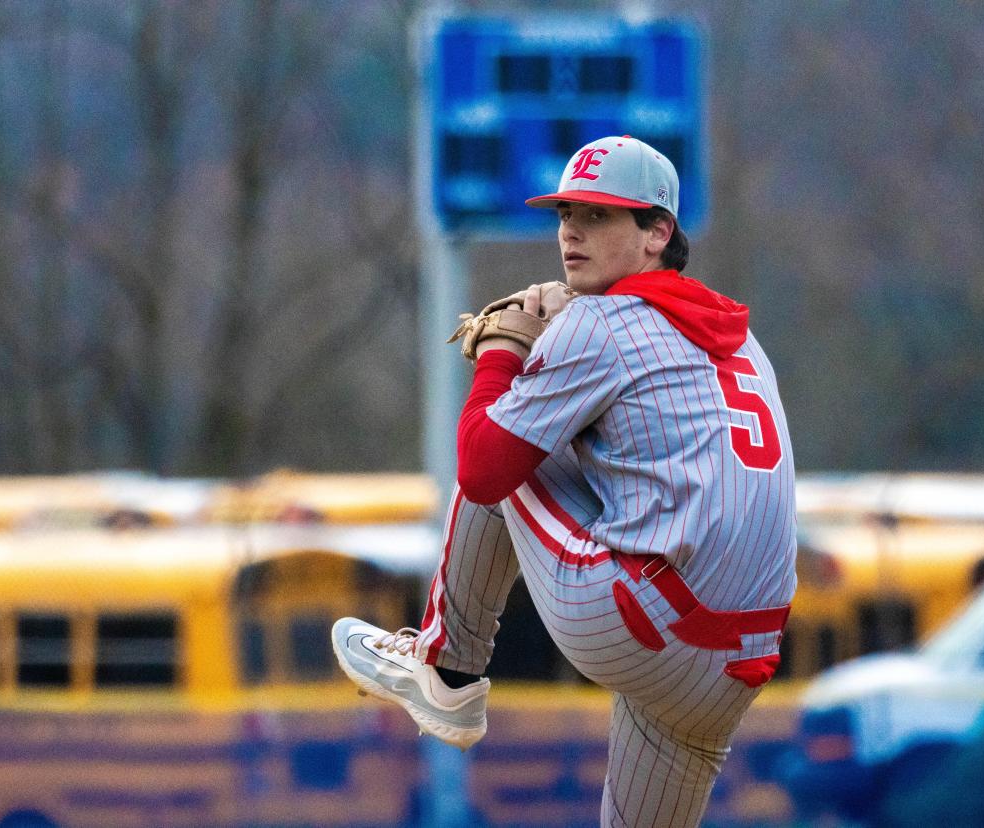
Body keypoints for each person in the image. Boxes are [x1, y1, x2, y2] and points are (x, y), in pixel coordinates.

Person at [332, 135, 797, 827]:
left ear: (657, 232)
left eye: (600, 216)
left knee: (504, 445)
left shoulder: (602, 327)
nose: (571, 230)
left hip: (643, 626)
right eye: (565, 212)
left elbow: (486, 470)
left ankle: (447, 672)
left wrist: (500, 355)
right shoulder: (739, 338)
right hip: (743, 662)